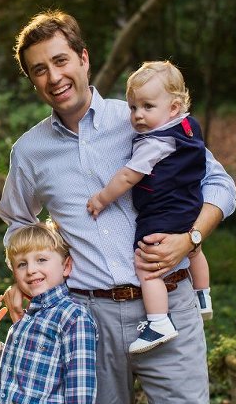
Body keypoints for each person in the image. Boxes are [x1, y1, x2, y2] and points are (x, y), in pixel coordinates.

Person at [0, 10, 236, 404]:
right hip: (88, 321)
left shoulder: (141, 116)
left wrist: (191, 238)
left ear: (83, 59)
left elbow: (219, 184)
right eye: (39, 70)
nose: (54, 77)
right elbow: (18, 223)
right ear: (32, 81)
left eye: (61, 60)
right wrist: (25, 275)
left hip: (170, 302)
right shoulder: (29, 152)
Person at [86, 61, 214, 355]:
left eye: (147, 107)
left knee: (147, 266)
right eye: (133, 107)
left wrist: (102, 198)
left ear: (173, 107)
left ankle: (159, 321)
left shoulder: (154, 142)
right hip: (189, 205)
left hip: (161, 212)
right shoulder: (188, 127)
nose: (138, 115)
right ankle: (203, 294)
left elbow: (128, 176)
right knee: (194, 250)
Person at [0, 222, 98, 404]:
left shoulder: (73, 317)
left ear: (66, 266)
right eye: (22, 264)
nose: (31, 270)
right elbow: (17, 374)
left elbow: (80, 391)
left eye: (41, 259)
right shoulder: (27, 318)